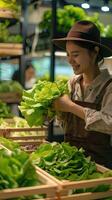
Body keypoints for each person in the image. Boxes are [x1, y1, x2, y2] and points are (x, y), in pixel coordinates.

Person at [53, 20, 112, 169]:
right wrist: (56, 112)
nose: (70, 60)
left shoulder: (109, 87)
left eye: (76, 54)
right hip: (69, 164)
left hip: (101, 170)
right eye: (67, 54)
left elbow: (109, 123)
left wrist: (71, 107)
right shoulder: (71, 84)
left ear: (95, 51)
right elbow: (64, 123)